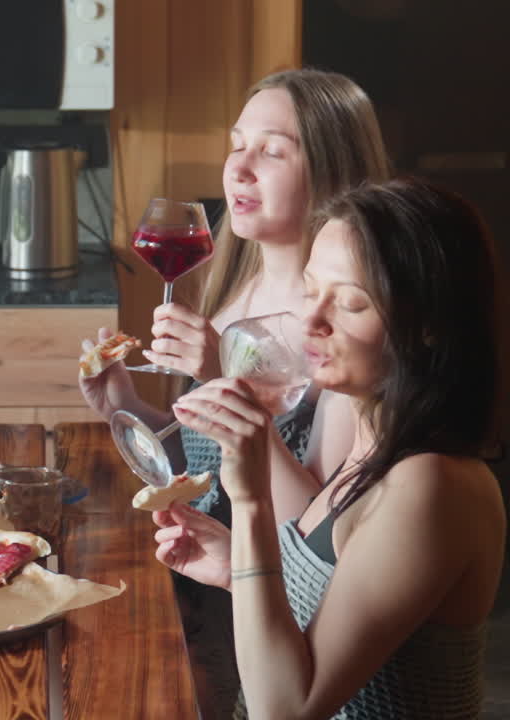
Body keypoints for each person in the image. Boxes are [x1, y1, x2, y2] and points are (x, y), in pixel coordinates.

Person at [80, 68, 394, 718]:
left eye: (273, 150)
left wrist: (222, 376)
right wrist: (127, 408)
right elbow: (204, 454)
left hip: (273, 618)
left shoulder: (343, 338)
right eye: (237, 143)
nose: (240, 168)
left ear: (333, 171)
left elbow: (321, 534)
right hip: (202, 584)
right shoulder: (231, 284)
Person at [160, 176, 505, 717]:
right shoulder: (375, 447)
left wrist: (250, 502)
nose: (310, 321)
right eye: (310, 290)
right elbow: (328, 602)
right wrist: (234, 569)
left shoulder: (432, 484)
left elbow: (288, 709)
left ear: (430, 326)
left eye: (349, 303)